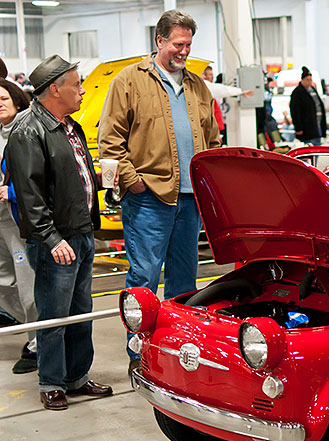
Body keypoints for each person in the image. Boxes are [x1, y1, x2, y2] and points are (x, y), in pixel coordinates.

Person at [98, 10, 220, 375]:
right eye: (178, 44)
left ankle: (176, 348)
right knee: (145, 277)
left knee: (185, 280)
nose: (183, 52)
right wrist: (132, 180)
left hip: (189, 199)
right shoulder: (129, 82)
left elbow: (212, 140)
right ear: (160, 41)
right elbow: (110, 142)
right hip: (149, 197)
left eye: (188, 45)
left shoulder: (197, 86)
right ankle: (139, 351)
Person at [7, 55, 113, 410]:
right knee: (54, 313)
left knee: (82, 309)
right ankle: (51, 380)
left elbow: (72, 177)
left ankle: (76, 377)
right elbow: (29, 194)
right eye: (77, 84)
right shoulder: (27, 130)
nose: (83, 91)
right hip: (57, 240)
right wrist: (52, 238)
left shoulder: (70, 125)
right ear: (55, 89)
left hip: (80, 232)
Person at [0, 79, 38, 374]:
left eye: (2, 98)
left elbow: (40, 177)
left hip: (19, 219)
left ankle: (38, 342)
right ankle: (34, 329)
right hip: (1, 221)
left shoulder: (28, 130)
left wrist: (10, 192)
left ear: (16, 100)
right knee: (3, 284)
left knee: (28, 286)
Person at [201, 65, 254, 146]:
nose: (205, 76)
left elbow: (221, 90)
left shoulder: (204, 88)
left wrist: (240, 92)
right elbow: (220, 90)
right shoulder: (201, 87)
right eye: (206, 74)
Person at [290, 67, 327, 146]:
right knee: (310, 149)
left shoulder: (313, 90)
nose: (309, 82)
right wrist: (298, 128)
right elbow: (295, 112)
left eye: (310, 80)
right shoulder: (297, 93)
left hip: (317, 125)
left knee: (317, 147)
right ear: (302, 80)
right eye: (307, 80)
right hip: (307, 128)